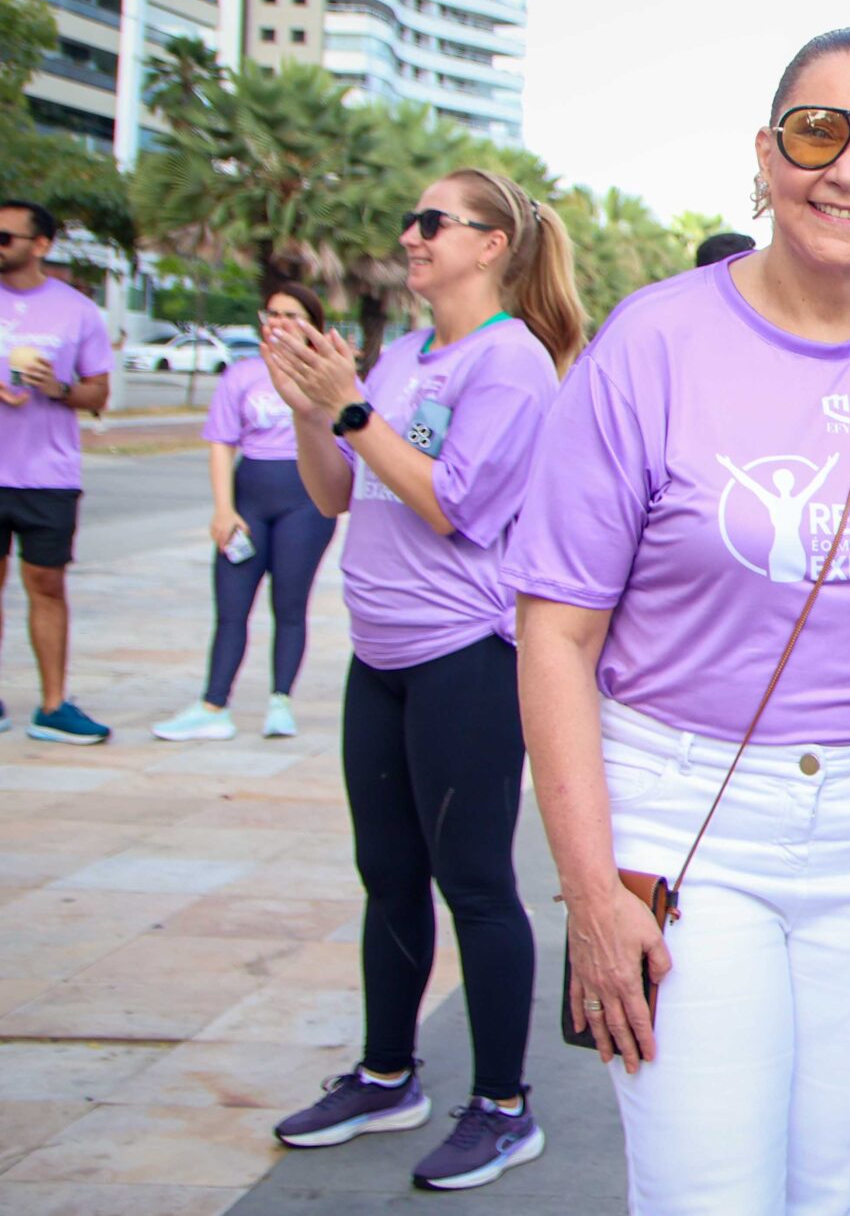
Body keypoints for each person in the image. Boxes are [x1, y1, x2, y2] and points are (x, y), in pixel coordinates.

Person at [509, 28, 850, 1216]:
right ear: (764, 152)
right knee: (706, 1195)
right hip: (684, 821)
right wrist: (590, 892)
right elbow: (555, 635)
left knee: (830, 1191)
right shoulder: (653, 341)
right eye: (817, 133)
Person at [261, 166, 583, 1192]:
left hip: (467, 657)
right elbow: (335, 496)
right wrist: (314, 412)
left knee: (476, 883)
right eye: (410, 218)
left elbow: (453, 507)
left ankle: (502, 1106)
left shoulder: (514, 364)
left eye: (432, 221)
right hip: (382, 656)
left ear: (492, 244)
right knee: (388, 873)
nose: (410, 234)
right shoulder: (402, 356)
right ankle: (386, 1072)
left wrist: (350, 408)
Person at [151, 283, 340, 742]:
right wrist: (223, 509)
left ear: (313, 325)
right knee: (232, 606)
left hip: (306, 502)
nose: (279, 322)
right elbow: (221, 442)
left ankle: (280, 703)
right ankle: (213, 704)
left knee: (290, 606)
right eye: (272, 313)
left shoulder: (329, 377)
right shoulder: (241, 375)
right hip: (249, 499)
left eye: (292, 314)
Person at [0, 200, 112, 745]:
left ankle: (52, 706)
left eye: (5, 237)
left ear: (39, 245)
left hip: (48, 474)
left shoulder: (76, 311)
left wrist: (57, 389)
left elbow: (99, 394)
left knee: (46, 585)